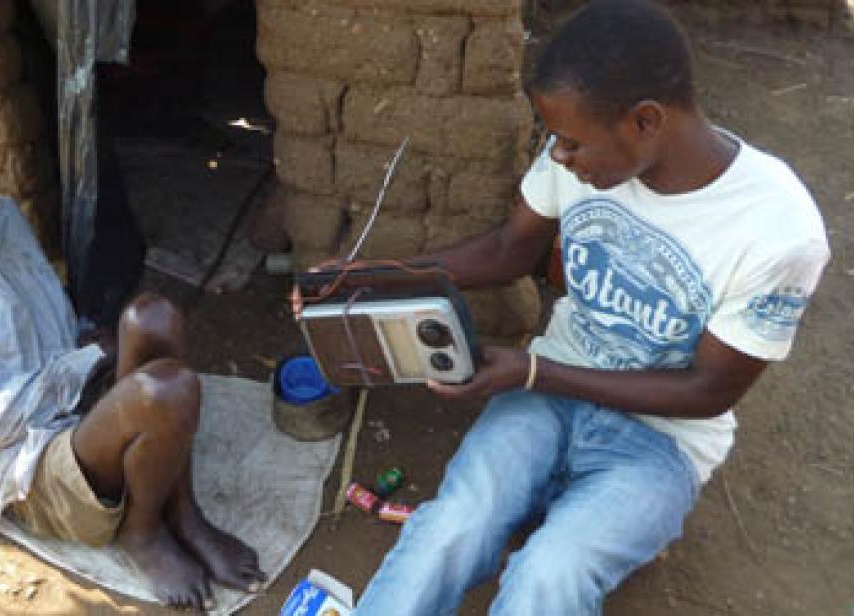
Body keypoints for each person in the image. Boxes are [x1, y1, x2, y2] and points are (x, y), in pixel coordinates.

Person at [344, 2, 830, 614]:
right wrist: (373, 278)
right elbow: (506, 249)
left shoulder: (777, 231)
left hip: (661, 442)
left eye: (573, 143)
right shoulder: (575, 157)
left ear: (645, 122)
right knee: (453, 526)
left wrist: (530, 372)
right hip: (546, 398)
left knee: (551, 571)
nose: (560, 156)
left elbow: (708, 391)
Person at [0, 91, 265, 611]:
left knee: (154, 316)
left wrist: (90, 352)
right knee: (168, 392)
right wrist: (84, 364)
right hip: (24, 461)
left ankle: (185, 514)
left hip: (79, 401)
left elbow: (48, 317)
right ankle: (142, 532)